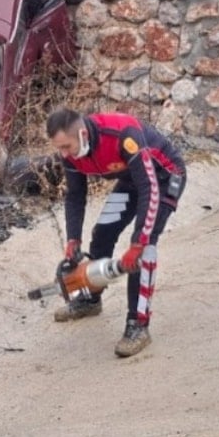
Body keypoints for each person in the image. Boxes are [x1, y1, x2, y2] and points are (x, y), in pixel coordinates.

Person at [45, 107, 187, 357]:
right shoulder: (70, 154)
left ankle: (138, 325)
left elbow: (150, 188)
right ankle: (91, 299)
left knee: (144, 248)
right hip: (132, 180)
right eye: (60, 148)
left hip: (164, 178)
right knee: (102, 234)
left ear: (82, 134)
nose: (64, 154)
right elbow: (75, 196)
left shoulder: (123, 135)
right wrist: (73, 239)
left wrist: (139, 242)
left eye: (67, 146)